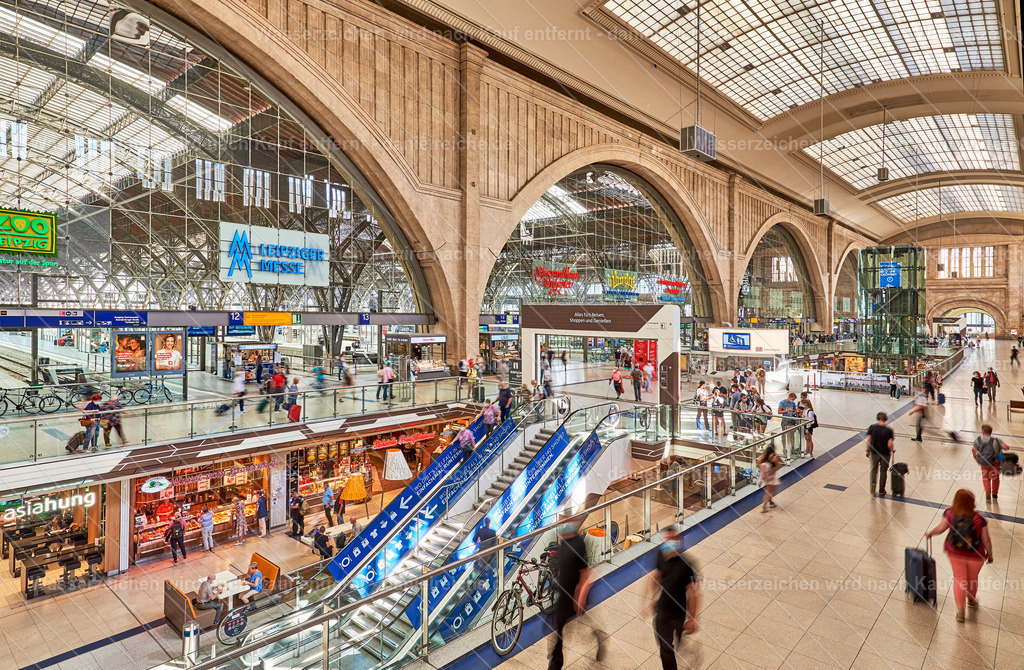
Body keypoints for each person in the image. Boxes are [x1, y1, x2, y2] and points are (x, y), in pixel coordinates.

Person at [924, 489, 993, 623]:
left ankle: (960, 611)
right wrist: (990, 555)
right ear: (972, 502)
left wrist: (930, 533)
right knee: (972, 579)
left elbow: (941, 528)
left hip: (955, 553)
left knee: (959, 579)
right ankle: (971, 601)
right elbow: (987, 540)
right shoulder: (979, 519)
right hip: (975, 555)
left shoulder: (950, 513)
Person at [548, 519, 601, 670]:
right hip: (563, 595)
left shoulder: (579, 544)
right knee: (560, 629)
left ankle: (598, 636)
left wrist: (580, 598)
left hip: (574, 596)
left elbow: (585, 574)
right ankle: (555, 663)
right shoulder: (564, 542)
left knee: (581, 627)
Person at [649, 526, 700, 670]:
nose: (669, 542)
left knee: (678, 640)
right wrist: (653, 598)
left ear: (679, 541)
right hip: (663, 609)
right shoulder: (660, 555)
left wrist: (693, 618)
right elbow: (657, 576)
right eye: (667, 539)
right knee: (665, 647)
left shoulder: (687, 565)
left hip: (679, 611)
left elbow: (693, 593)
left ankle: (683, 646)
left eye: (672, 539)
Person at [865, 411, 895, 497]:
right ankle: (881, 489)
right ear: (885, 419)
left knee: (874, 469)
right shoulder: (889, 430)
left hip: (874, 452)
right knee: (883, 471)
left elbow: (868, 440)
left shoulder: (872, 427)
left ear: (878, 418)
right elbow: (890, 444)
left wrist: (867, 450)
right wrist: (892, 450)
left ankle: (873, 484)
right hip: (885, 454)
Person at [972, 424, 1003, 503]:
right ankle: (995, 494)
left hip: (984, 463)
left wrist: (975, 458)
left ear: (982, 431)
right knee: (995, 478)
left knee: (986, 478)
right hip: (995, 463)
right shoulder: (996, 440)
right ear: (991, 432)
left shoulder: (978, 440)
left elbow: (973, 449)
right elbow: (1006, 447)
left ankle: (988, 495)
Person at [757, 445, 781, 513]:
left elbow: (758, 463)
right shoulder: (774, 456)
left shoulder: (763, 456)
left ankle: (771, 502)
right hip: (771, 476)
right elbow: (778, 466)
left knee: (769, 489)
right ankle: (764, 506)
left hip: (765, 476)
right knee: (770, 491)